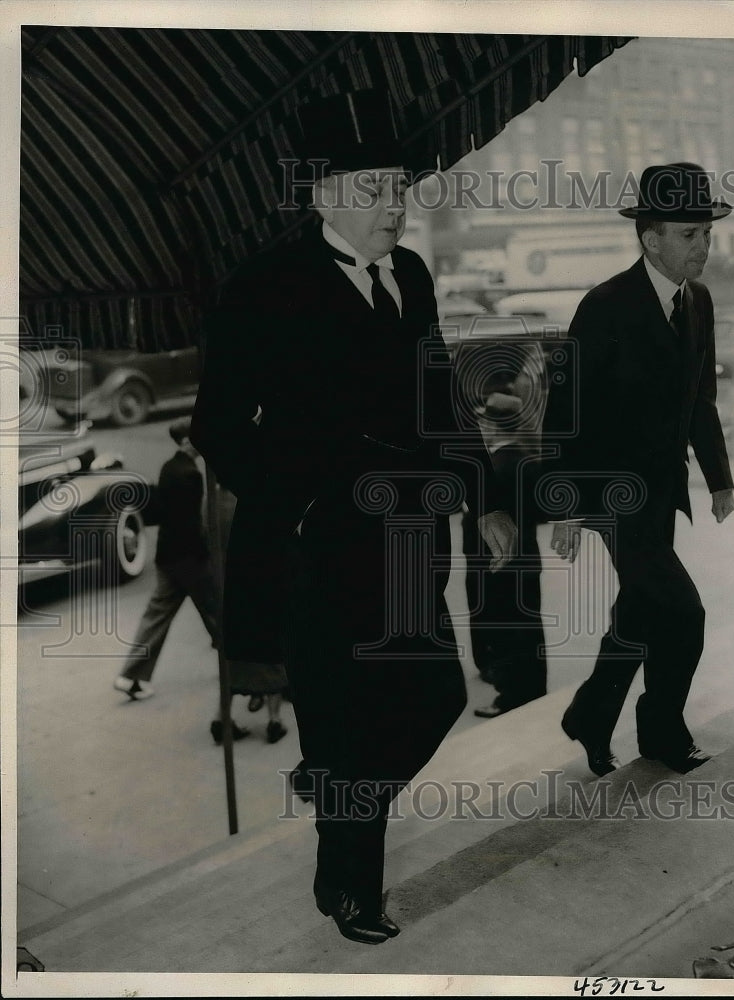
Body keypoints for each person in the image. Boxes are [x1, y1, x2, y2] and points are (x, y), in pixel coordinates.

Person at [191, 89, 516, 944]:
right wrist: (289, 502)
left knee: (435, 696)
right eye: (374, 188)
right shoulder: (260, 287)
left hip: (410, 543)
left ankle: (335, 797)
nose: (394, 204)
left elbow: (437, 393)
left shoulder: (407, 274)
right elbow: (216, 427)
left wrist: (482, 497)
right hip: (318, 551)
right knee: (348, 717)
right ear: (323, 194)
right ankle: (351, 889)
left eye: (400, 186)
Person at [541, 162, 734, 776]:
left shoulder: (697, 301)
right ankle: (663, 731)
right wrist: (567, 504)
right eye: (689, 234)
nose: (702, 246)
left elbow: (699, 398)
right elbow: (564, 410)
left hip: (662, 491)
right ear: (651, 239)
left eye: (706, 233)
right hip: (611, 494)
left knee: (641, 611)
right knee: (684, 612)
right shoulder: (603, 307)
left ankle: (591, 715)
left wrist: (721, 478)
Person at [113, 419, 252, 743]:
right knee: (221, 619)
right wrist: (208, 554)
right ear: (188, 441)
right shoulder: (191, 474)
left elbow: (163, 511)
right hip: (191, 561)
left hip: (167, 558)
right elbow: (195, 523)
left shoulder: (167, 467)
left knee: (157, 615)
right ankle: (242, 678)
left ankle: (131, 675)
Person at [460, 346, 548, 717]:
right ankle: (531, 688)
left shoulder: (496, 467)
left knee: (508, 629)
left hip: (498, 564)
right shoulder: (526, 461)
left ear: (494, 425)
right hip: (525, 559)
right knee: (528, 628)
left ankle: (512, 696)